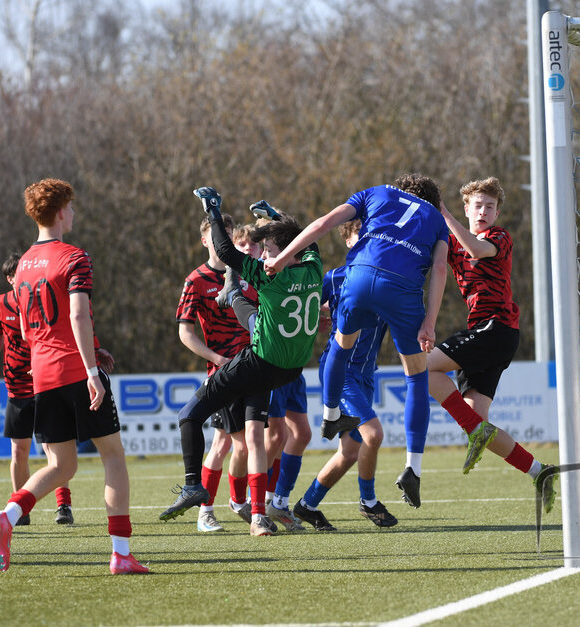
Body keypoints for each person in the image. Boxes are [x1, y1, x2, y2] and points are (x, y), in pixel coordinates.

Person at [0, 178, 148, 574]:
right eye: (71, 207)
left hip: (41, 374)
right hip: (76, 369)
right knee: (113, 456)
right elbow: (75, 314)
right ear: (60, 212)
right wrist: (91, 368)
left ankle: (8, 515)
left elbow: (24, 331)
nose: (73, 213)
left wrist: (86, 347)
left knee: (61, 467)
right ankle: (121, 554)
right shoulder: (75, 256)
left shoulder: (22, 264)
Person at [264, 174, 449, 509]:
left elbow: (321, 223)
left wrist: (279, 259)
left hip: (360, 275)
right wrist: (430, 324)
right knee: (417, 378)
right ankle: (413, 467)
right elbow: (439, 270)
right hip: (403, 291)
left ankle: (330, 414)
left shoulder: (377, 193)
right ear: (434, 202)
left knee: (340, 344)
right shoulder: (436, 220)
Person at [160, 187, 322, 537]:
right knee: (253, 439)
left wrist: (213, 211)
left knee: (188, 415)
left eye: (268, 250)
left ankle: (193, 486)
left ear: (284, 253)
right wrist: (275, 215)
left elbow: (223, 250)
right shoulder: (313, 268)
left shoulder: (269, 275)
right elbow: (305, 240)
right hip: (287, 368)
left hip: (258, 362)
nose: (264, 256)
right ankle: (257, 514)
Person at [432, 178, 557, 510]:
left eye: (490, 206)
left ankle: (475, 434)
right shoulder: (453, 240)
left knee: (421, 365)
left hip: (496, 329)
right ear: (467, 209)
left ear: (497, 212)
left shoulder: (498, 237)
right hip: (482, 333)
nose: (484, 211)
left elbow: (474, 249)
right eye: (478, 205)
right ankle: (539, 471)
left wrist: (442, 212)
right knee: (477, 425)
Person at [0, 251, 107, 525]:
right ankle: (19, 511)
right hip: (16, 387)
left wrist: (95, 350)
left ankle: (63, 507)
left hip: (46, 382)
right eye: (15, 274)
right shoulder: (0, 304)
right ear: (9, 278)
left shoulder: (39, 298)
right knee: (19, 451)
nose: (20, 278)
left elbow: (72, 325)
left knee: (55, 452)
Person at [294, 220, 397, 531]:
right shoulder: (336, 278)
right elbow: (306, 305)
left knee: (350, 452)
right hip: (341, 372)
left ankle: (307, 505)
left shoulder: (390, 280)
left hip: (367, 375)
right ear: (349, 241)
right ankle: (368, 502)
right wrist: (319, 316)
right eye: (360, 236)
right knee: (374, 435)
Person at [175, 215, 255, 532]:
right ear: (205, 240)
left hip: (254, 370)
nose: (222, 241)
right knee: (227, 444)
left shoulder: (247, 273)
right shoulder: (196, 280)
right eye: (215, 235)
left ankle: (235, 502)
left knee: (245, 443)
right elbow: (185, 332)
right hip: (224, 374)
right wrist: (215, 358)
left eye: (227, 235)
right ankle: (207, 510)